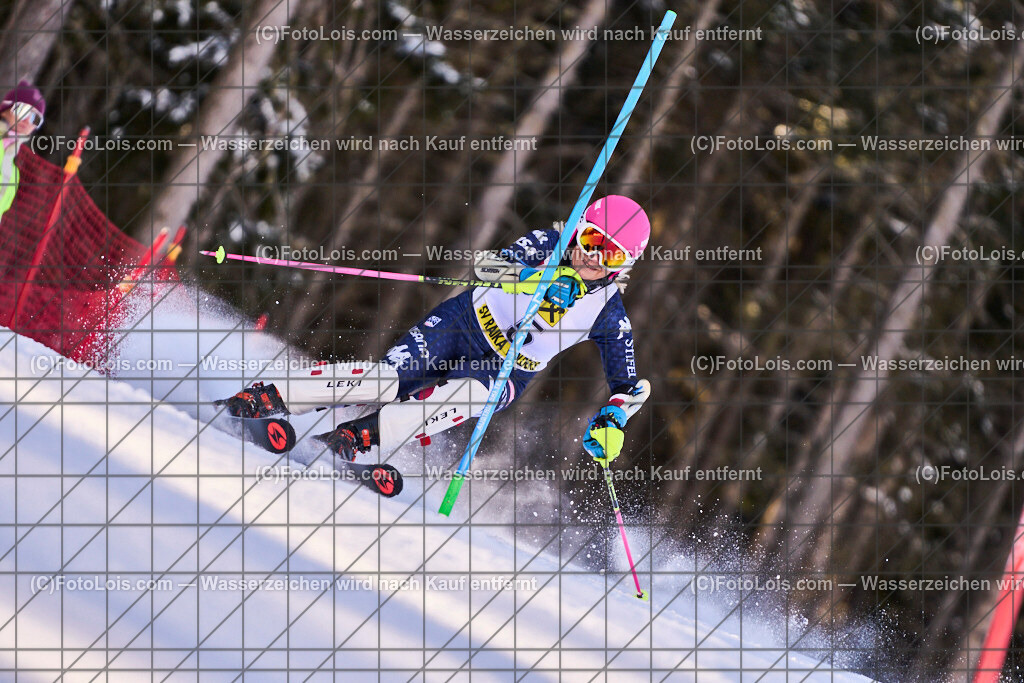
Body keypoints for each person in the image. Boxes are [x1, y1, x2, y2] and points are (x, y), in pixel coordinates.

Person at [217, 195, 653, 467]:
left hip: (505, 370)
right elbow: (489, 266)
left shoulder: (608, 314)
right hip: (463, 324)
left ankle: (360, 436)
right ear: (580, 231)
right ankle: (271, 396)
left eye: (611, 256)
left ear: (624, 266)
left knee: (465, 397)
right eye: (593, 242)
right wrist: (538, 280)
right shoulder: (548, 245)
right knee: (386, 380)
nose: (595, 258)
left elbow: (628, 383)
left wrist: (613, 418)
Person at [0, 81, 45, 221]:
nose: (27, 120)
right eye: (22, 110)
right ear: (6, 108)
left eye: (35, 118)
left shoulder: (14, 174)